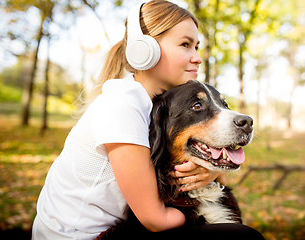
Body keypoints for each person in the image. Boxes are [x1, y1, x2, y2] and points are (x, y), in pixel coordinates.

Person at [32, 1, 264, 239]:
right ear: (144, 49)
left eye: (197, 46)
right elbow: (155, 219)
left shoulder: (146, 103)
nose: (197, 58)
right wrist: (205, 217)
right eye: (185, 44)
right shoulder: (122, 104)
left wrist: (212, 171)